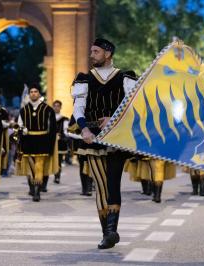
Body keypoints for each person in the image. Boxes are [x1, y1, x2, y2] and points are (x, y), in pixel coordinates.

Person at [72, 38, 137, 249]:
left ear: (108, 54)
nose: (92, 55)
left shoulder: (126, 77)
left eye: (96, 51)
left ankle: (111, 230)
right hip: (92, 136)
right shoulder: (84, 79)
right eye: (91, 51)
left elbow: (133, 105)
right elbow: (78, 109)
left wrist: (114, 118)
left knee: (113, 183)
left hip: (116, 136)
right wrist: (84, 129)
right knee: (100, 186)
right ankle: (108, 233)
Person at [16, 84, 58, 201]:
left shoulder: (48, 109)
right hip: (28, 141)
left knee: (39, 166)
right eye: (31, 92)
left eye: (35, 91)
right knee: (30, 167)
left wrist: (51, 144)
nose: (33, 93)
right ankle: (32, 186)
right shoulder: (23, 110)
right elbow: (19, 125)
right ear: (29, 94)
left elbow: (52, 128)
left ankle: (36, 191)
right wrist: (21, 130)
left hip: (42, 141)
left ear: (39, 94)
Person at [52, 100, 69, 184]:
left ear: (60, 107)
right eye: (55, 106)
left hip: (60, 142)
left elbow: (66, 131)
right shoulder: (49, 118)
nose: (56, 107)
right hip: (51, 142)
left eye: (58, 106)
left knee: (58, 160)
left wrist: (62, 137)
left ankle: (57, 176)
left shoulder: (64, 119)